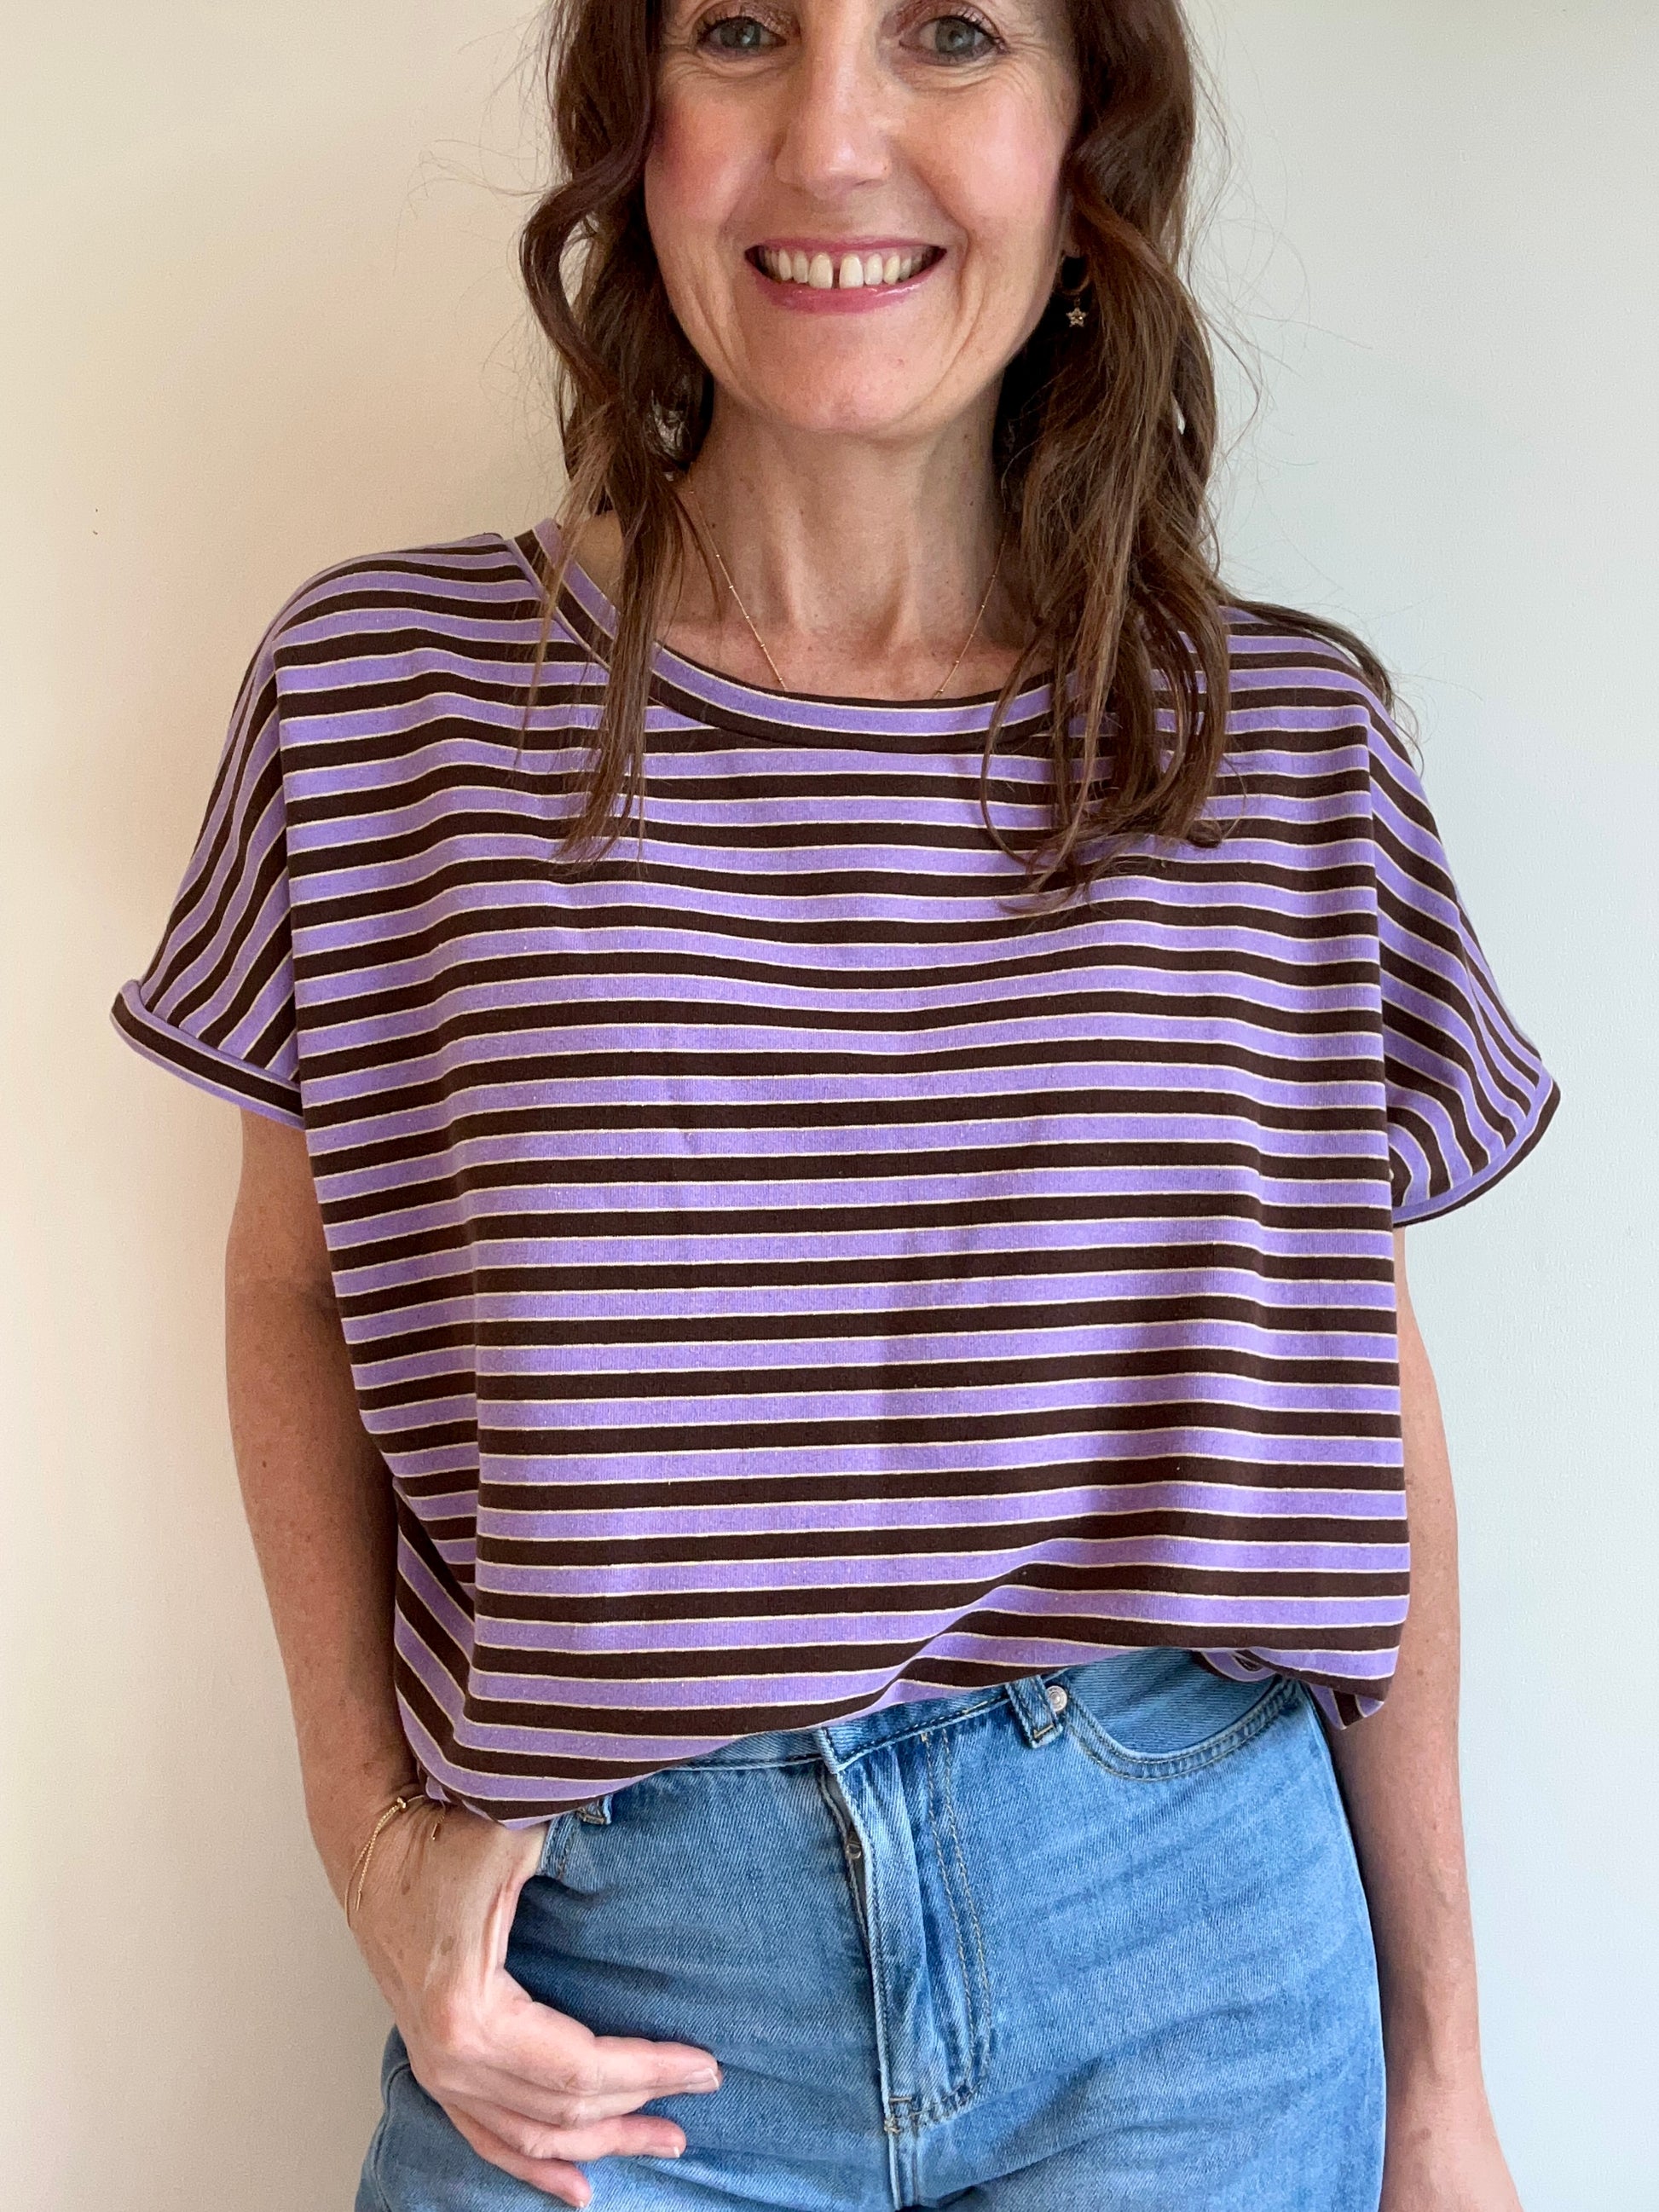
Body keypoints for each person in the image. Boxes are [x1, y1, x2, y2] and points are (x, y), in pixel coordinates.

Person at [113, 2, 1559, 2206]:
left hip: (1187, 1964)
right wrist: (373, 1850)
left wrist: (1442, 2086)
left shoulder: (1273, 745)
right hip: (603, 1984)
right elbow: (293, 1290)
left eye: (950, 34)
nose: (834, 133)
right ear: (638, 132)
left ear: (1081, 144)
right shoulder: (384, 701)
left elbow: (1350, 1385)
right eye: (740, 31)